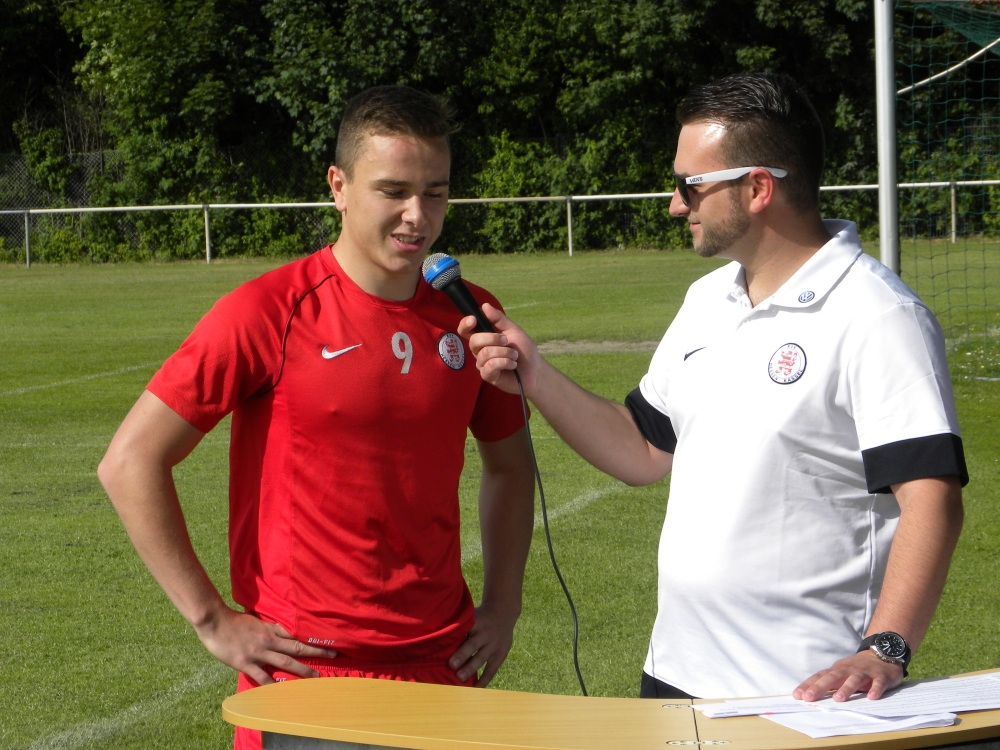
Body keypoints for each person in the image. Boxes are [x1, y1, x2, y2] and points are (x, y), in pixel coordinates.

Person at [460, 73, 967, 702]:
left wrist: (884, 647)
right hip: (673, 675)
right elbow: (643, 449)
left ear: (757, 188)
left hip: (802, 694)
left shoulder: (878, 314)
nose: (676, 205)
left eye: (690, 185)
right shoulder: (708, 298)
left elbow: (932, 498)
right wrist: (534, 372)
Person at [98, 86, 535, 750]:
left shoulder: (469, 314)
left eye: (435, 193)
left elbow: (510, 465)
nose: (417, 216)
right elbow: (130, 461)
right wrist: (212, 620)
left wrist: (503, 604)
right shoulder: (267, 311)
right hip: (309, 675)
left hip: (442, 665)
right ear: (339, 186)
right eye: (393, 192)